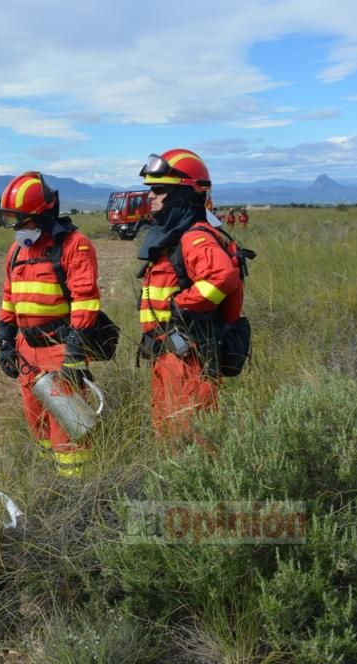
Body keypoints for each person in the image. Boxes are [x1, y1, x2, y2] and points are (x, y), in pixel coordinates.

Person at [0, 172, 109, 477]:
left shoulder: (75, 246)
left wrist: (74, 355)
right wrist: (5, 340)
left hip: (60, 349)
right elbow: (9, 297)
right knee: (37, 421)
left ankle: (76, 488)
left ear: (43, 216)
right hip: (26, 350)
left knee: (67, 426)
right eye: (12, 222)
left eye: (23, 221)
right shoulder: (17, 251)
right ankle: (49, 477)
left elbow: (85, 301)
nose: (17, 229)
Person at [136, 149, 243, 444]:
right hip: (168, 356)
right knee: (169, 437)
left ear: (182, 195)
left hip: (188, 361)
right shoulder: (177, 236)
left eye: (159, 190)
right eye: (151, 190)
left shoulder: (195, 237)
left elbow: (222, 276)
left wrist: (180, 304)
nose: (152, 197)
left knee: (191, 440)